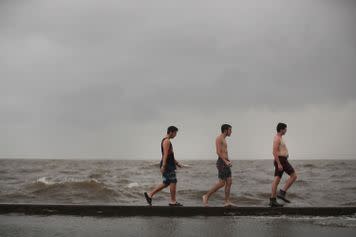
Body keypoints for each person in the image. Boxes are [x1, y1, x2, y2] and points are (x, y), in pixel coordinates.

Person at [144, 126, 183, 206]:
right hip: (168, 165)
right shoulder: (167, 141)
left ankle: (150, 194)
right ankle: (173, 201)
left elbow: (170, 155)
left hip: (169, 164)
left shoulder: (166, 141)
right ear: (171, 132)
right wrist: (164, 166)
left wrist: (177, 163)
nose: (175, 135)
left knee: (166, 182)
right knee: (173, 181)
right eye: (175, 133)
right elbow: (165, 154)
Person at [202, 124, 236, 207]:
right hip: (222, 162)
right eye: (230, 130)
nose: (231, 132)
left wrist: (228, 161)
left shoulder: (224, 139)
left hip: (225, 162)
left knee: (229, 182)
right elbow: (218, 152)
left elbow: (224, 151)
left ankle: (226, 201)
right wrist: (225, 161)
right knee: (222, 183)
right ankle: (206, 196)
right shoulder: (219, 138)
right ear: (225, 130)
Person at [270, 122, 298, 207]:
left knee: (277, 180)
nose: (286, 130)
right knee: (294, 176)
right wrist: (279, 164)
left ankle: (273, 200)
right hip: (281, 161)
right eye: (285, 129)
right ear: (281, 129)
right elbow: (274, 152)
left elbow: (280, 150)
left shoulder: (280, 138)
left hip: (282, 160)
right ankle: (282, 192)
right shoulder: (277, 138)